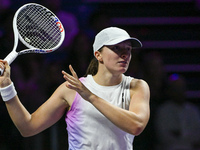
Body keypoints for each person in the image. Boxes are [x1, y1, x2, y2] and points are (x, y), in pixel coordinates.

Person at [0, 27, 150, 150]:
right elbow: (28, 127)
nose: (125, 54)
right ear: (98, 55)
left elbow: (136, 126)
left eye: (128, 49)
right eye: (116, 48)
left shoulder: (137, 86)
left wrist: (91, 97)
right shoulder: (71, 89)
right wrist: (6, 87)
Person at [154, 74, 200, 150]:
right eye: (176, 89)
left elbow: (197, 134)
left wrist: (181, 135)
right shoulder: (163, 111)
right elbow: (163, 136)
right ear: (169, 90)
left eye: (182, 88)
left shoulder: (193, 110)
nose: (180, 92)